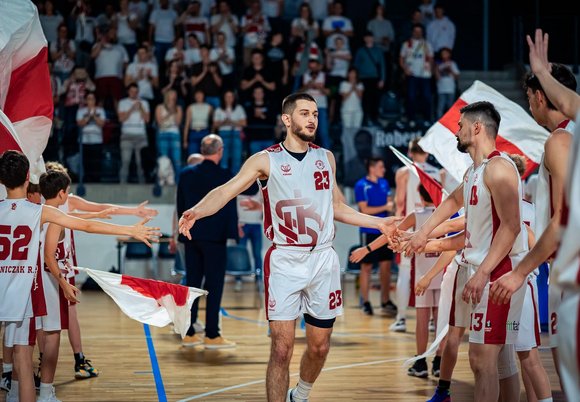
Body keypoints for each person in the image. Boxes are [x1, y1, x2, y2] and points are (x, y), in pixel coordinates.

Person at [178, 93, 401, 401]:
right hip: (285, 258)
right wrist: (197, 211)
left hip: (323, 259)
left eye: (316, 114)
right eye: (305, 113)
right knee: (281, 349)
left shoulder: (326, 157)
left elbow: (338, 206)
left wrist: (380, 222)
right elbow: (226, 190)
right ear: (287, 119)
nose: (312, 119)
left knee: (320, 346)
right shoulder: (265, 159)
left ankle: (302, 393)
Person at [0, 150, 158, 402]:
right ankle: (41, 393)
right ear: (29, 176)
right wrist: (130, 229)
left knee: (16, 362)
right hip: (24, 293)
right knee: (24, 358)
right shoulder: (36, 212)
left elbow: (83, 219)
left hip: (4, 290)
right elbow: (84, 225)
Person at [403, 101, 529, 402]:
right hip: (472, 269)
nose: (455, 132)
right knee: (498, 361)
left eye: (459, 126)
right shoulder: (475, 170)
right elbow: (451, 204)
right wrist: (422, 234)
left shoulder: (499, 168)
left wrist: (483, 272)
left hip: (495, 272)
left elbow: (511, 227)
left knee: (482, 359)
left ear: (476, 128)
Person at [490, 61, 577, 383]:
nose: (529, 105)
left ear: (539, 97)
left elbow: (563, 217)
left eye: (528, 97)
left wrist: (519, 272)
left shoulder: (559, 140)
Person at [177, 134, 239, 349]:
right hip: (215, 238)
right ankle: (212, 334)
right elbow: (230, 205)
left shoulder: (186, 174)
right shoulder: (225, 175)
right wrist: (233, 232)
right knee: (214, 287)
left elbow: (181, 204)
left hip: (191, 236)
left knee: (192, 285)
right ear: (220, 151)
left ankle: (189, 332)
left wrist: (181, 230)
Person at [391, 138, 440, 332]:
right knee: (433, 272)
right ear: (427, 152)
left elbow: (400, 203)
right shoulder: (437, 172)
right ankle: (431, 321)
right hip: (434, 227)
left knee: (405, 272)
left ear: (410, 152)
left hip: (412, 226)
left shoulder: (404, 172)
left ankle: (401, 318)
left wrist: (397, 230)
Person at [352, 156, 395, 316]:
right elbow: (365, 210)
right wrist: (385, 206)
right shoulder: (361, 185)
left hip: (385, 232)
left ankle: (385, 300)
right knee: (367, 267)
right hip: (368, 231)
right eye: (381, 167)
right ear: (372, 168)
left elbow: (391, 206)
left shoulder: (384, 183)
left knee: (386, 267)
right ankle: (366, 302)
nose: (383, 170)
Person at [399, 23, 434, 121]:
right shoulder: (406, 44)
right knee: (411, 97)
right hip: (412, 74)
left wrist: (430, 69)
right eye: (416, 31)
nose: (417, 33)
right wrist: (405, 69)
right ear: (412, 32)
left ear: (422, 33)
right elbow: (401, 59)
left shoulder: (427, 44)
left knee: (426, 97)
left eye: (419, 31)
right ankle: (411, 119)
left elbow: (431, 58)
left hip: (425, 75)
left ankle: (426, 119)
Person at [117, 83, 151, 183]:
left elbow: (147, 119)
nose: (134, 94)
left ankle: (143, 183)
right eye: (132, 91)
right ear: (128, 92)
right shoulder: (123, 103)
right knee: (125, 161)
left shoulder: (144, 103)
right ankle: (122, 184)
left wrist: (140, 108)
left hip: (141, 136)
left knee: (141, 163)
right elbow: (121, 118)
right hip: (126, 135)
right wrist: (132, 108)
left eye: (136, 92)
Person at [353, 31, 385, 126]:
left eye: (370, 37)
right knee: (365, 100)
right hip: (363, 78)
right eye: (367, 37)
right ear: (364, 39)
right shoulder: (361, 51)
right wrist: (356, 79)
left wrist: (382, 79)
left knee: (375, 99)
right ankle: (365, 118)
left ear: (373, 38)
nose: (369, 39)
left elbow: (382, 65)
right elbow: (356, 66)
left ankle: (374, 118)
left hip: (375, 78)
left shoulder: (378, 51)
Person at [213, 90, 247, 174]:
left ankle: (235, 181)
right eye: (227, 96)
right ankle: (224, 180)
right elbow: (215, 124)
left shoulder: (239, 108)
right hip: (223, 134)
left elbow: (244, 123)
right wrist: (225, 122)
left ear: (234, 98)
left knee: (237, 159)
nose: (229, 98)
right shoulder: (219, 109)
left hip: (236, 134)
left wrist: (231, 121)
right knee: (223, 159)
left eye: (231, 96)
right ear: (224, 98)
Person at [76, 91, 106, 182]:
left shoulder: (100, 110)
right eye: (89, 99)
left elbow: (102, 123)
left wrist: (94, 116)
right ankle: (87, 180)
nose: (91, 101)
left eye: (92, 99)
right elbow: (80, 123)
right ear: (86, 100)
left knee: (96, 162)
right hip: (84, 141)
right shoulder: (81, 111)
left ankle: (97, 180)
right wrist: (89, 116)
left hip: (97, 140)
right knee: (86, 162)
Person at [155, 89, 184, 180]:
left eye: (175, 95)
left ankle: (178, 182)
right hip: (163, 134)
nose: (174, 97)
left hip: (175, 134)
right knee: (164, 159)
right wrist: (169, 114)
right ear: (167, 96)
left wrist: (173, 110)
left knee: (177, 160)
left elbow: (178, 123)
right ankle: (163, 180)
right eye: (172, 94)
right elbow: (159, 122)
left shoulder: (178, 108)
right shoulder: (159, 107)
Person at [183, 90, 213, 155]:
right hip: (193, 132)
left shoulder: (209, 107)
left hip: (204, 132)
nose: (199, 96)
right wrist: (185, 140)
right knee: (193, 155)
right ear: (194, 96)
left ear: (203, 96)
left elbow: (212, 123)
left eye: (200, 94)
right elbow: (187, 124)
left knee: (206, 155)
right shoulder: (190, 107)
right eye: (197, 94)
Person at [435, 47, 459, 119]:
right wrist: (437, 69)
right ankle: (439, 122)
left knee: (450, 107)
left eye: (446, 53)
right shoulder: (438, 65)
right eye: (443, 54)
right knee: (440, 107)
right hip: (441, 89)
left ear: (449, 54)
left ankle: (450, 121)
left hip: (450, 89)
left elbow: (457, 77)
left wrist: (450, 70)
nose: (444, 55)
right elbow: (437, 77)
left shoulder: (453, 63)